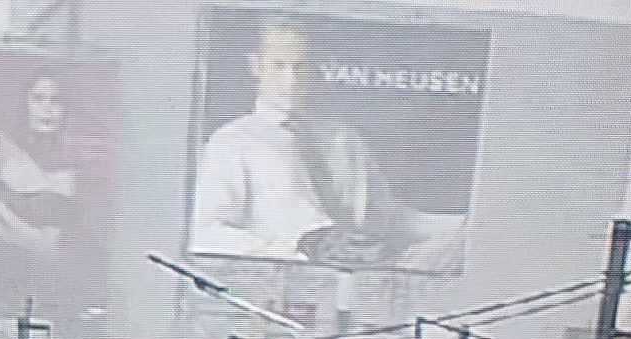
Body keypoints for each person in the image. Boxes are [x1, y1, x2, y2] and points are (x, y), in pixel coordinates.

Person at [189, 19, 467, 271]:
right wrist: (295, 251)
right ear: (255, 66)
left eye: (301, 66)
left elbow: (387, 216)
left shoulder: (341, 135)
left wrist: (464, 224)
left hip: (368, 272)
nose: (291, 80)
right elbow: (207, 233)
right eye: (279, 65)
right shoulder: (232, 141)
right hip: (286, 274)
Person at [0, 71, 90, 315]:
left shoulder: (72, 164)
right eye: (38, 99)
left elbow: (50, 243)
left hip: (47, 290)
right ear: (24, 103)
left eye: (56, 100)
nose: (48, 109)